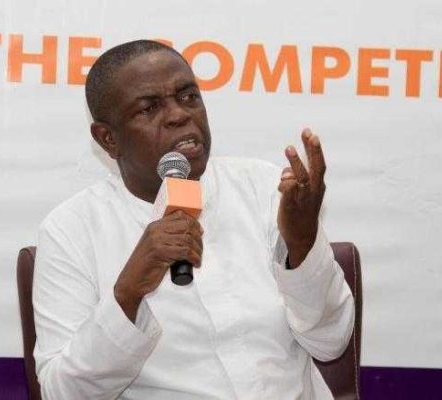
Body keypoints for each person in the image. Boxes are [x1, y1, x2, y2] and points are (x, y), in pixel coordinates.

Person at [32, 40, 355, 400]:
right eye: (149, 108)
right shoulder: (71, 231)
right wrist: (128, 292)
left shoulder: (265, 188)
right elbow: (62, 392)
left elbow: (331, 342)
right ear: (108, 139)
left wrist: (302, 243)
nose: (179, 115)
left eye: (188, 97)